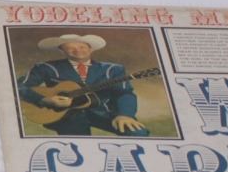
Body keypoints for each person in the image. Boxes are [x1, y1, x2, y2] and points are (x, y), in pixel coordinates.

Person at [17, 32, 148, 136]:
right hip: (66, 116)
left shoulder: (112, 69)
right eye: (70, 48)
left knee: (138, 133)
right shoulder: (46, 67)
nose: (77, 50)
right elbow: (18, 87)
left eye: (82, 47)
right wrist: (44, 100)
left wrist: (124, 114)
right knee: (77, 142)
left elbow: (124, 93)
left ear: (90, 49)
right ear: (62, 50)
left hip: (104, 113)